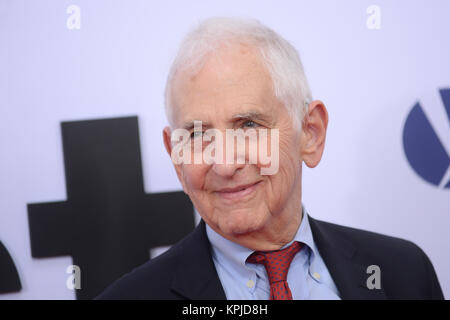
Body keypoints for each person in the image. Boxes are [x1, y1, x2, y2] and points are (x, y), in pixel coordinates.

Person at [97, 17, 444, 300]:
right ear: (176, 155)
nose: (225, 164)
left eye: (248, 125)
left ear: (310, 133)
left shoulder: (404, 272)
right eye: (198, 135)